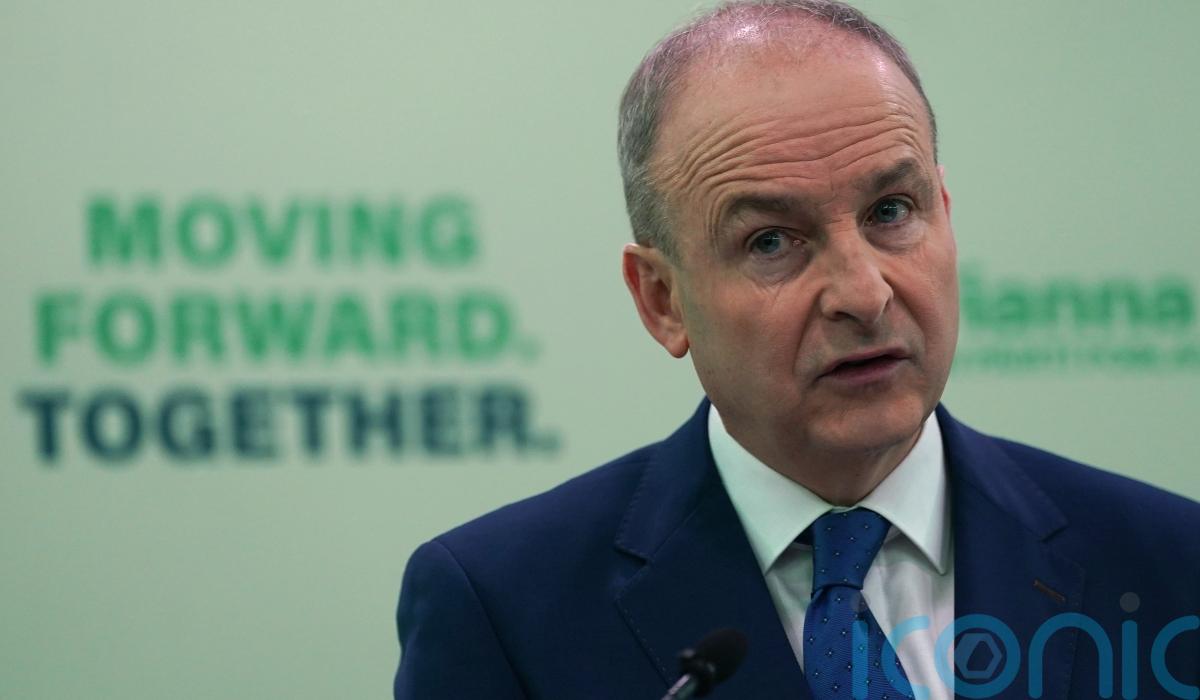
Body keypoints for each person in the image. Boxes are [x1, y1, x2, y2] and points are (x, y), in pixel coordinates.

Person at [393, 2, 1200, 698]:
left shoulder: (1172, 565)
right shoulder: (504, 610)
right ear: (662, 300)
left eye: (892, 211)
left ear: (946, 214)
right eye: (772, 240)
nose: (864, 293)